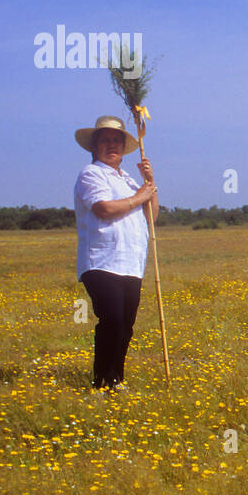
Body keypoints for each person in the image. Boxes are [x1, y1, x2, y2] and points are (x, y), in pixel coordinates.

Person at [73, 115, 158, 391]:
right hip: (101, 261)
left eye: (116, 141)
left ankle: (116, 379)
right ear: (95, 147)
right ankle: (101, 381)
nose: (112, 145)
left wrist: (149, 184)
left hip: (131, 263)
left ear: (123, 147)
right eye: (105, 140)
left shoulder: (131, 180)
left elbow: (151, 216)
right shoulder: (92, 173)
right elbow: (103, 209)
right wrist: (139, 197)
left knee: (126, 324)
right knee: (112, 319)